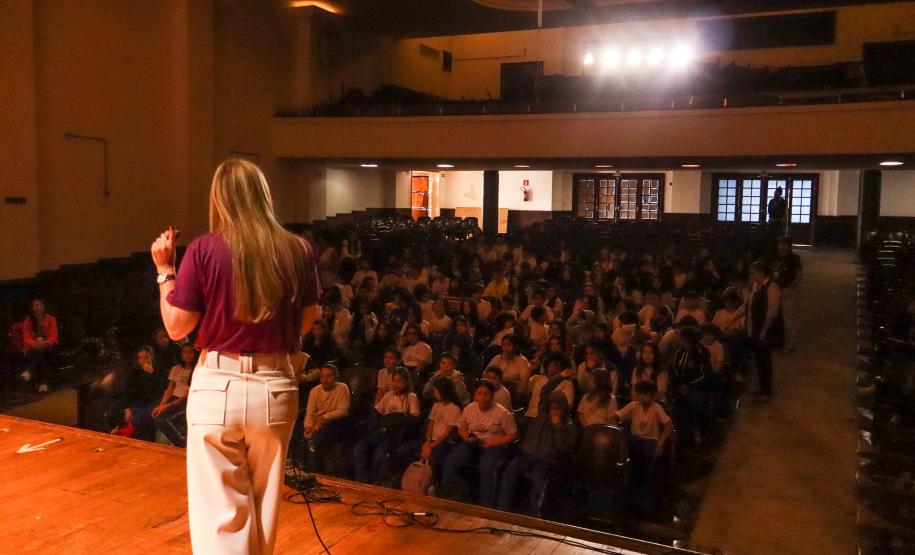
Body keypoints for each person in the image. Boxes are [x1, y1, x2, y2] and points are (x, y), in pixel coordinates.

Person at [151, 158, 320, 555]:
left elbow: (176, 327)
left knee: (221, 521)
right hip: (275, 387)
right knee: (263, 513)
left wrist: (165, 271)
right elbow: (307, 322)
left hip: (219, 385)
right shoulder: (297, 249)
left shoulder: (204, 249)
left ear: (220, 199)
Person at [497, 391, 576, 516]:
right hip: (527, 454)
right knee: (509, 473)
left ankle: (534, 516)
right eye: (552, 408)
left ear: (564, 409)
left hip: (547, 460)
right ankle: (502, 511)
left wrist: (558, 427)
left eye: (558, 409)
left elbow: (562, 448)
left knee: (538, 481)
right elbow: (528, 439)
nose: (554, 412)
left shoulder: (568, 425)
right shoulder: (540, 417)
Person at [443, 380, 518, 507]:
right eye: (479, 393)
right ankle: (449, 495)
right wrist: (468, 439)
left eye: (486, 394)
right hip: (473, 443)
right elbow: (461, 427)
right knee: (452, 459)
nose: (483, 397)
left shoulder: (502, 413)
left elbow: (513, 434)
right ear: (475, 395)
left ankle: (486, 505)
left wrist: (493, 443)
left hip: (493, 446)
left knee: (487, 467)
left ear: (492, 396)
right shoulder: (469, 409)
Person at [353, 367, 420, 484]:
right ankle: (362, 481)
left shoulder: (411, 397)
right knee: (359, 449)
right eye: (394, 381)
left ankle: (373, 483)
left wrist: (397, 418)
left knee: (379, 455)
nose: (396, 384)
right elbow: (377, 410)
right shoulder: (389, 395)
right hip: (381, 430)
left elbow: (414, 418)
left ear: (406, 382)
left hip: (395, 434)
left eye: (399, 381)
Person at [614, 380, 673, 514]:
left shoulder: (657, 408)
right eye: (642, 394)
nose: (645, 398)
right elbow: (616, 417)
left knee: (647, 466)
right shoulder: (634, 405)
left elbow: (669, 425)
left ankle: (645, 498)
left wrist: (661, 442)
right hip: (634, 442)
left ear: (653, 395)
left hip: (650, 442)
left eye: (648, 395)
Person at [303, 364, 352, 471]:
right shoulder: (315, 391)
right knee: (299, 435)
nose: (325, 380)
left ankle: (318, 471)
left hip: (336, 423)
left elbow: (343, 411)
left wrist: (323, 418)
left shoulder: (342, 388)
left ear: (336, 377)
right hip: (316, 422)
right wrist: (308, 426)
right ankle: (304, 470)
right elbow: (310, 412)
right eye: (322, 376)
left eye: (329, 376)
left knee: (320, 437)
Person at [747, 261, 783, 402]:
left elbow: (771, 312)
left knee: (764, 360)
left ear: (761, 273)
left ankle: (766, 391)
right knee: (759, 360)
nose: (751, 275)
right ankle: (762, 387)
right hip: (756, 329)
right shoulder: (756, 286)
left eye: (753, 273)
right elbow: (748, 305)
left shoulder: (772, 286)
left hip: (765, 330)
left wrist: (763, 331)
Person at [152, 343, 196, 447]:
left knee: (161, 419)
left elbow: (189, 393)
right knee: (154, 413)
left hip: (186, 400)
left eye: (190, 352)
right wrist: (162, 404)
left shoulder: (197, 370)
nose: (187, 355)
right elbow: (170, 388)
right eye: (185, 352)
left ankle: (184, 444)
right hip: (174, 398)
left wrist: (168, 405)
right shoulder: (176, 368)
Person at [123, 346, 168, 441]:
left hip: (155, 400)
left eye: (146, 357)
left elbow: (161, 389)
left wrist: (152, 373)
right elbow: (128, 392)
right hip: (139, 401)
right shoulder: (134, 373)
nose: (143, 360)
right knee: (134, 415)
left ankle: (147, 442)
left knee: (142, 416)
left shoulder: (159, 370)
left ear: (152, 357)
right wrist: (128, 408)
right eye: (140, 358)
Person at [20, 298, 59, 393]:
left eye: (40, 305)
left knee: (43, 352)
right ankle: (44, 384)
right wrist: (36, 344)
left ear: (44, 306)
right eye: (36, 305)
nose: (38, 308)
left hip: (48, 346)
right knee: (41, 355)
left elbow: (54, 336)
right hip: (33, 348)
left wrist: (46, 343)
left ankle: (29, 371)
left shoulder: (51, 319)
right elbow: (27, 338)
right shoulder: (28, 321)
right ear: (32, 308)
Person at [773, 237, 802, 351]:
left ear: (789, 246)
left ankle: (790, 344)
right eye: (780, 244)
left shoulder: (794, 258)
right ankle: (778, 341)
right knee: (776, 317)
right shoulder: (776, 258)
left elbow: (799, 275)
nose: (781, 246)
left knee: (787, 318)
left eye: (784, 244)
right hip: (776, 290)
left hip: (788, 291)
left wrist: (790, 287)